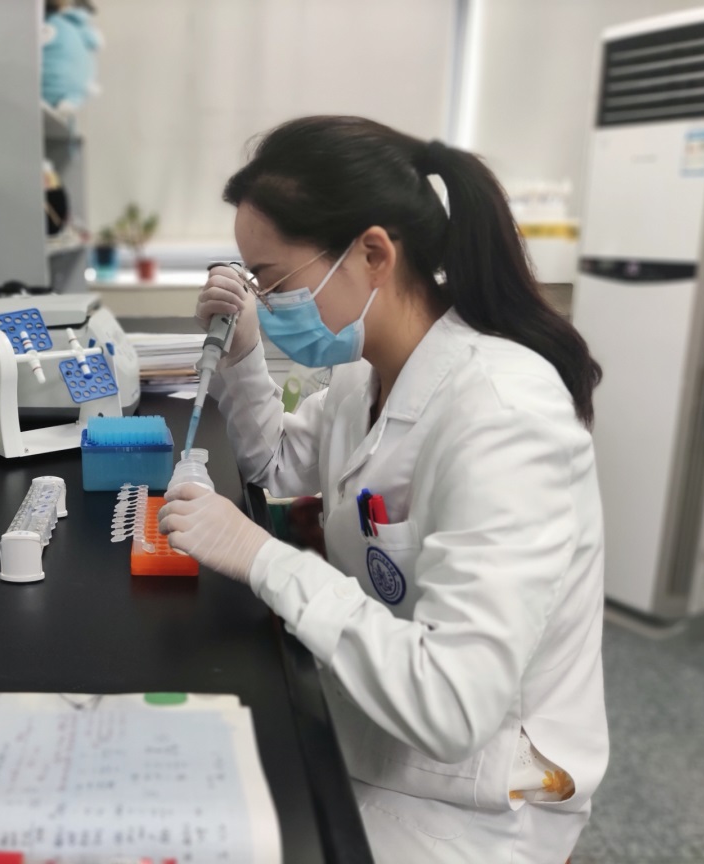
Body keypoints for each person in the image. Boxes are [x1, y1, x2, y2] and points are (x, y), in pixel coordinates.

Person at [158, 116, 608, 863]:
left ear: (372, 254)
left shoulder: (504, 415)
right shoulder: (368, 371)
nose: (268, 301)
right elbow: (278, 465)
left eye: (275, 281)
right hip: (377, 722)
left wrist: (264, 558)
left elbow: (454, 704)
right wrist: (243, 353)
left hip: (480, 791)